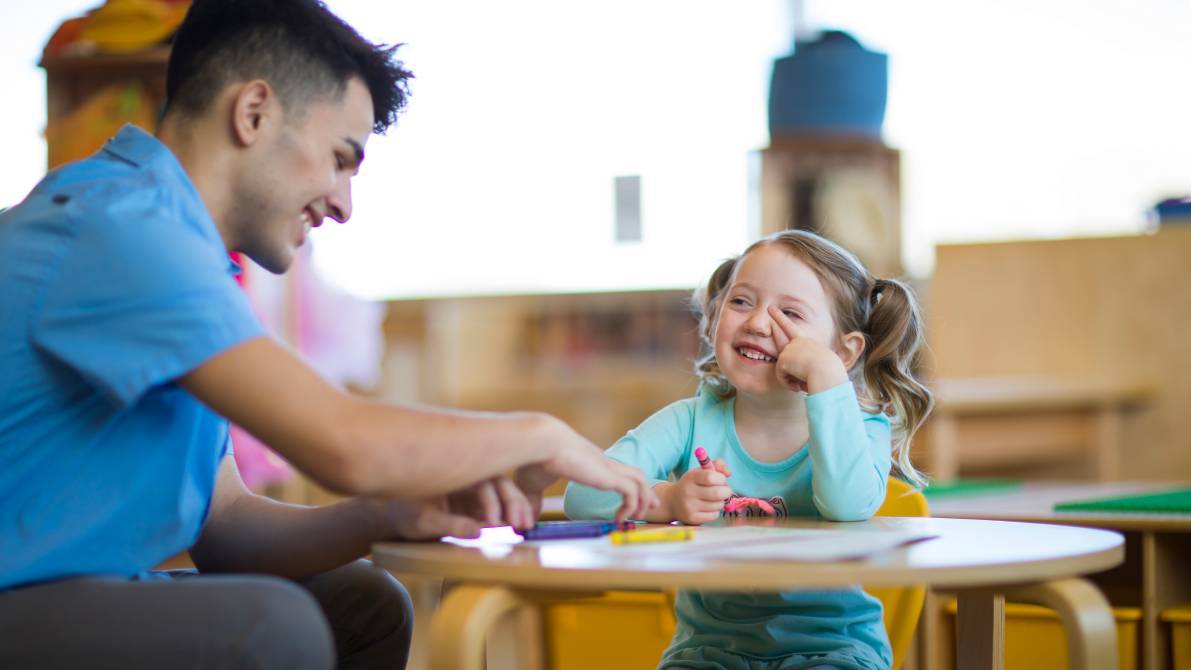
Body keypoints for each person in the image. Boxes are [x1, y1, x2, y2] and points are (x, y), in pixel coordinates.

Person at [0, 1, 655, 668]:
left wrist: (384, 515)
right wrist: (539, 434)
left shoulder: (183, 255)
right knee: (272, 627)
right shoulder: (122, 227)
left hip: (50, 597)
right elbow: (345, 444)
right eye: (341, 159)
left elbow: (222, 522)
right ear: (252, 113)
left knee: (362, 602)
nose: (344, 204)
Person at [565, 229, 933, 670]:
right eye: (741, 302)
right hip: (707, 653)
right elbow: (583, 495)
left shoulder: (860, 427)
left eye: (791, 313)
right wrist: (668, 499)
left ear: (844, 350)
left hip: (833, 651)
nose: (758, 323)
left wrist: (828, 380)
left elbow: (847, 504)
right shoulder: (689, 421)